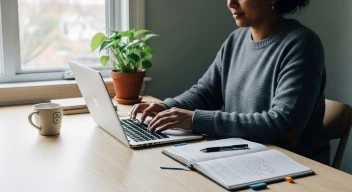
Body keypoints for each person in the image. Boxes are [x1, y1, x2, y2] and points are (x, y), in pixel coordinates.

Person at [130, 0, 330, 164]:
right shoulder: (236, 39)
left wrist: (194, 119)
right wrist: (166, 107)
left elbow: (283, 128)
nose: (230, 3)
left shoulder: (302, 44)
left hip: (292, 167)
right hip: (243, 155)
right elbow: (206, 92)